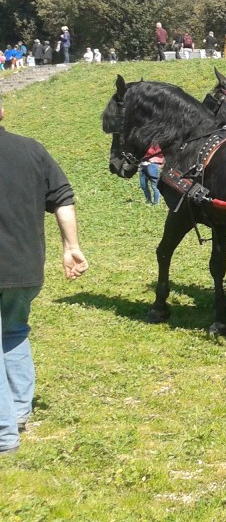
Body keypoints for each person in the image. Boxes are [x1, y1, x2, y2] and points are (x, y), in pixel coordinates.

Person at [0, 93, 88, 455]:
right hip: (25, 269)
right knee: (14, 332)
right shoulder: (32, 149)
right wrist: (71, 246)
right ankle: (19, 410)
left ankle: (4, 433)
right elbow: (62, 197)